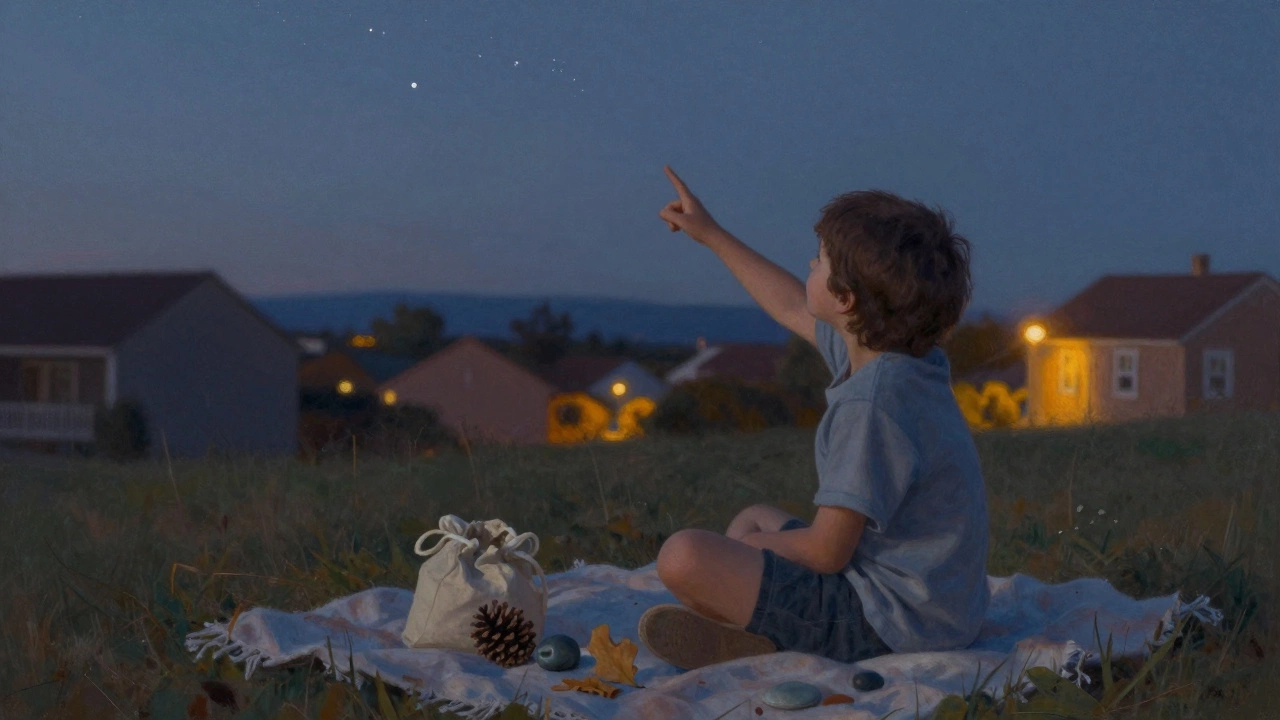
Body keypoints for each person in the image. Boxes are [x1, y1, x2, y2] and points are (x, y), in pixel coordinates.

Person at [637, 166, 989, 670]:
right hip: (932, 603)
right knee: (752, 517)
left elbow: (827, 553)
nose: (808, 263)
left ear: (846, 300)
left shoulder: (874, 405)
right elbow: (787, 304)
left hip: (893, 625)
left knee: (685, 556)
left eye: (818, 260)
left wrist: (757, 551)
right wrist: (711, 234)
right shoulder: (899, 357)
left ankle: (762, 636)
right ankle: (754, 628)